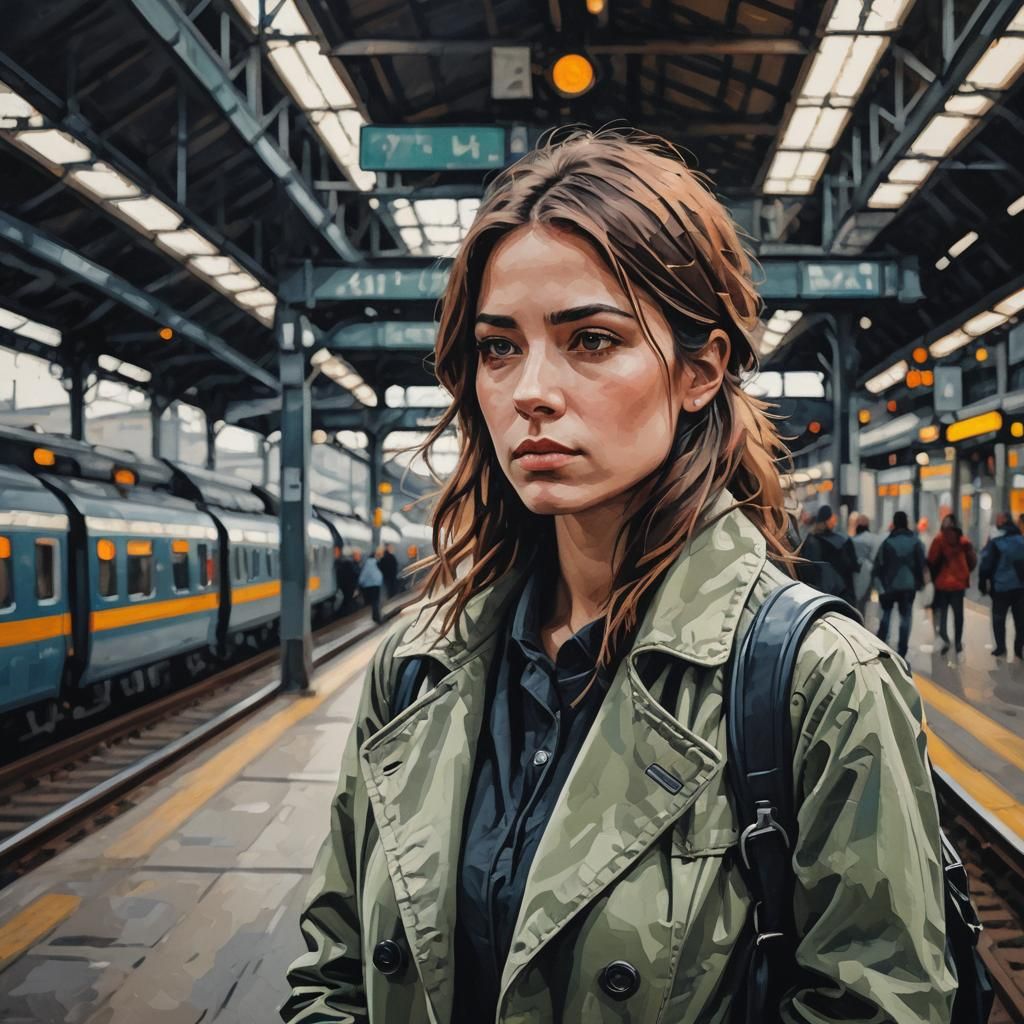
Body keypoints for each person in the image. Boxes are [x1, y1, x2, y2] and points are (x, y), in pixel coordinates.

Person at [282, 128, 953, 1024]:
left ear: (700, 369)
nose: (531, 390)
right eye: (497, 348)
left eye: (591, 340)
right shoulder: (415, 668)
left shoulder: (819, 683)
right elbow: (330, 978)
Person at [872, 510, 926, 660]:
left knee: (887, 613)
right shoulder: (915, 541)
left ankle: (883, 643)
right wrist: (920, 582)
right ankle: (902, 649)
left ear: (894, 523)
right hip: (909, 585)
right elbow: (921, 563)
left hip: (890, 584)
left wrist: (880, 584)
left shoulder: (888, 542)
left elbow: (879, 565)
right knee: (906, 616)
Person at [927, 513, 976, 655]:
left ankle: (945, 640)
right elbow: (972, 560)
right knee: (958, 614)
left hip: (942, 583)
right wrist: (964, 572)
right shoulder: (963, 541)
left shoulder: (939, 539)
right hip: (959, 584)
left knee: (942, 613)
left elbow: (931, 559)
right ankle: (958, 642)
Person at [979, 512, 1024, 658]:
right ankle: (1018, 647)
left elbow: (986, 564)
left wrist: (982, 581)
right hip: (1020, 588)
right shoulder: (1021, 541)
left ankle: (1001, 647)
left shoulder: (997, 543)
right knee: (1020, 620)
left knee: (999, 618)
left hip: (1001, 587)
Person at [796, 504, 859, 604]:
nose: (835, 519)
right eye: (832, 517)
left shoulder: (811, 541)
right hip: (843, 593)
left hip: (819, 593)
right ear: (827, 520)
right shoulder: (843, 541)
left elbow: (807, 567)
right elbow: (852, 565)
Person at [850, 513, 882, 617]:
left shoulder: (852, 540)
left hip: (856, 574)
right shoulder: (874, 539)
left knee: (859, 602)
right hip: (871, 573)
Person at [357, 548, 384, 624]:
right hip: (376, 585)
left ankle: (375, 617)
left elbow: (363, 575)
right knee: (376, 601)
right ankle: (376, 617)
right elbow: (379, 574)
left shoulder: (368, 564)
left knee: (372, 602)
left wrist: (360, 583)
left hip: (369, 586)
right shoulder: (376, 563)